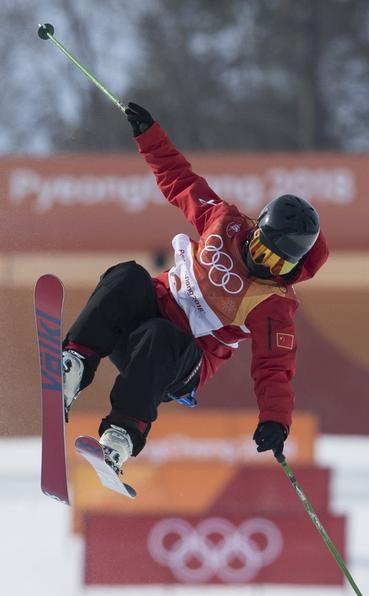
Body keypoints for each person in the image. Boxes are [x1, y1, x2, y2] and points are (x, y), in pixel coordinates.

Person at [62, 102, 329, 475]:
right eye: (260, 251)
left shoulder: (273, 303)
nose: (263, 265)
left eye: (278, 265)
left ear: (292, 269)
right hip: (140, 319)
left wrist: (275, 420)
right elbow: (180, 180)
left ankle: (120, 438)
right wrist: (148, 135)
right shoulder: (223, 222)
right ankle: (75, 364)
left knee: (161, 336)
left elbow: (275, 368)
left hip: (179, 361)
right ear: (254, 232)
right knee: (127, 276)